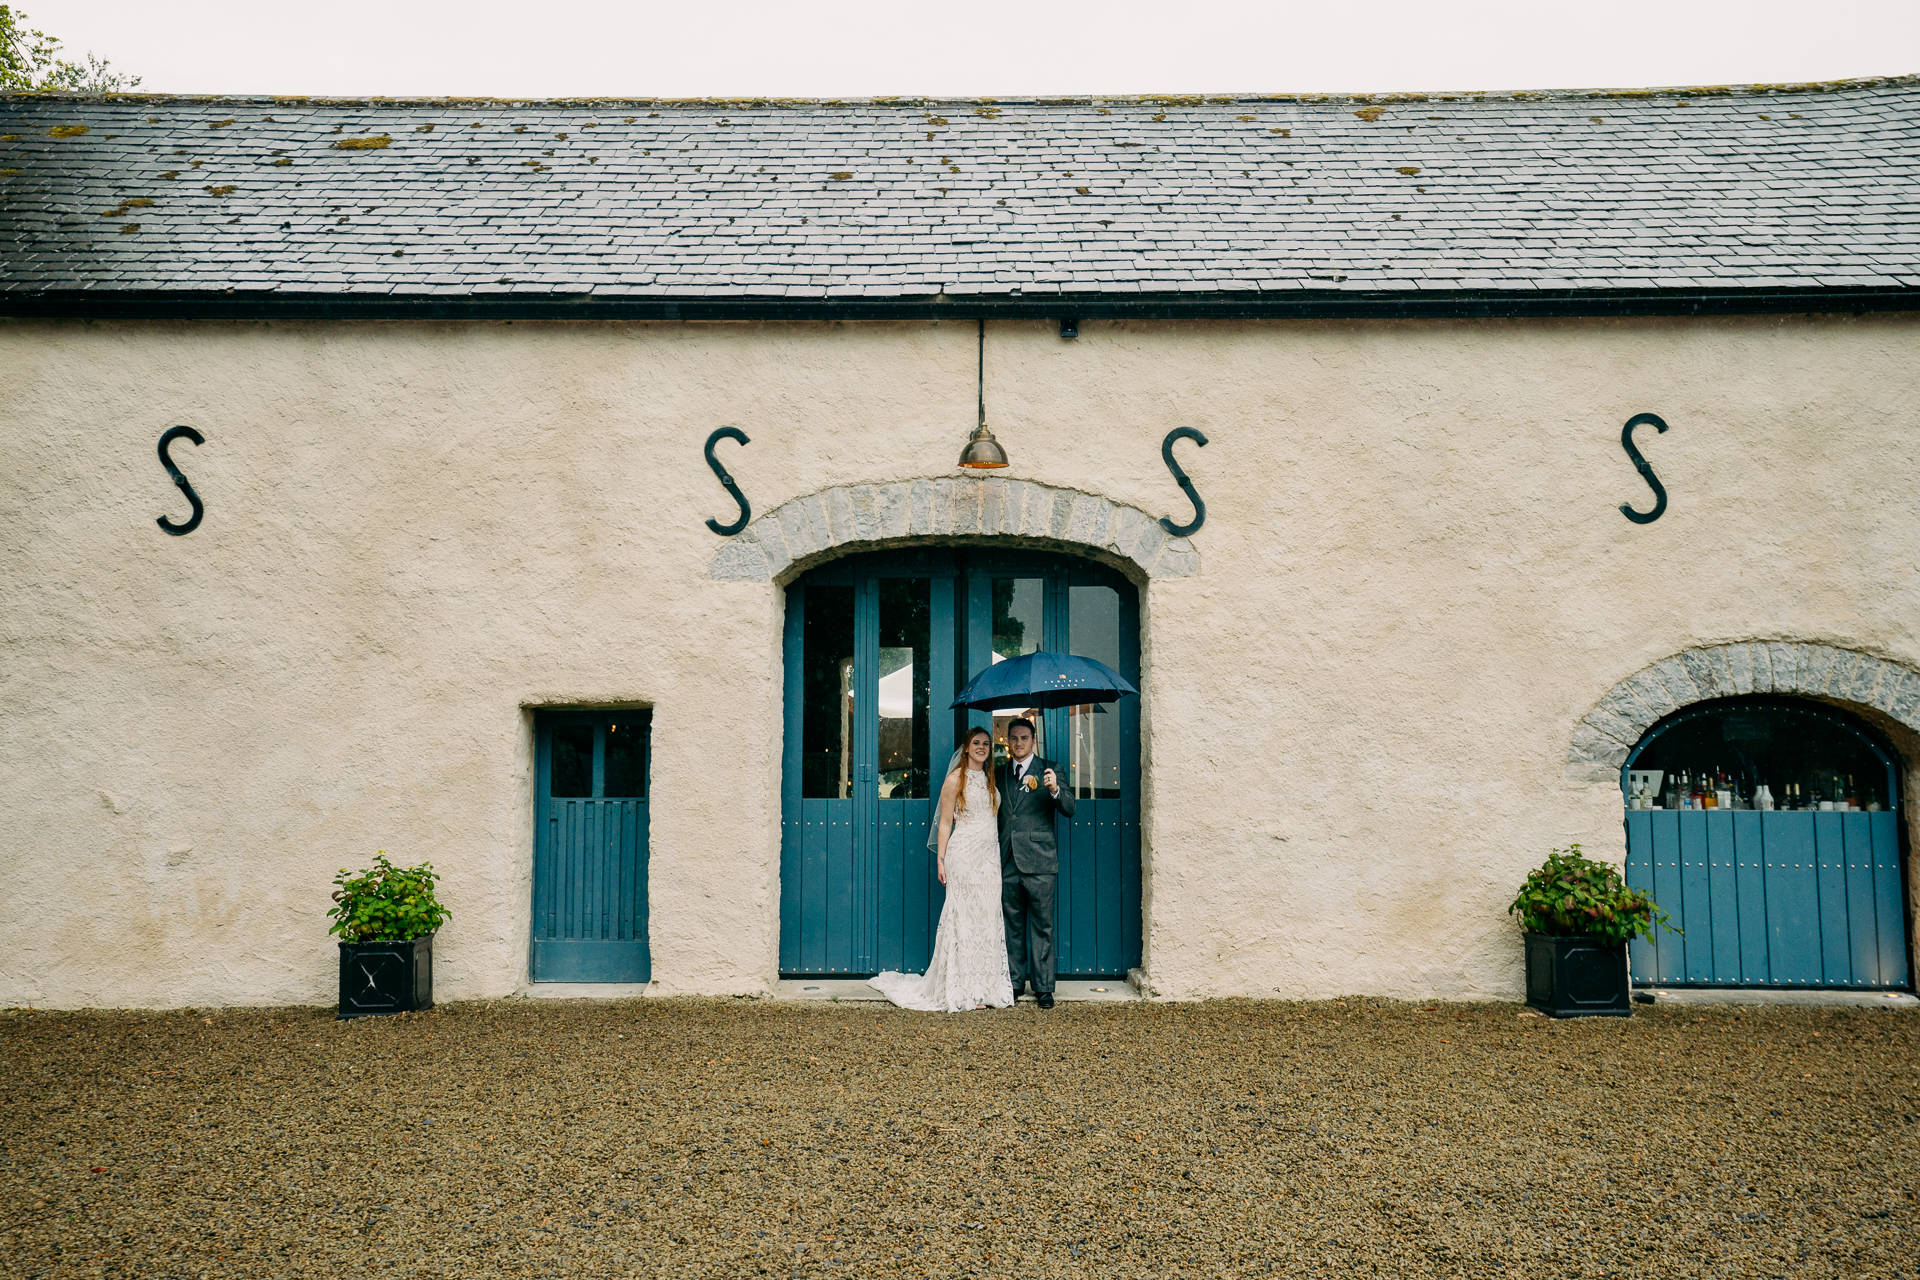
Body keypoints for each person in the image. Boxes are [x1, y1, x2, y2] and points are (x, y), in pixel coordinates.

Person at [868, 727, 1015, 1012]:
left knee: (986, 917)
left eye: (986, 743)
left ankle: (985, 989)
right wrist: (941, 859)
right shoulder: (954, 780)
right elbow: (946, 822)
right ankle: (963, 988)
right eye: (976, 743)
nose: (982, 747)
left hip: (989, 859)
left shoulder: (989, 779)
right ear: (966, 747)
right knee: (962, 916)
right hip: (963, 855)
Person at [997, 717, 1075, 1009]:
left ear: (1034, 741)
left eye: (1024, 738)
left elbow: (1069, 808)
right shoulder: (1000, 773)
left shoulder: (1050, 770)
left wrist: (1055, 789)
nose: (1019, 743)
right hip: (1007, 860)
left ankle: (1043, 987)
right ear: (1008, 741)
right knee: (1012, 925)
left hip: (1040, 861)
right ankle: (1015, 983)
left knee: (1043, 926)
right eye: (1014, 738)